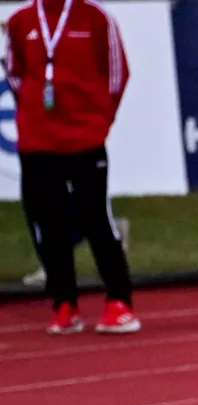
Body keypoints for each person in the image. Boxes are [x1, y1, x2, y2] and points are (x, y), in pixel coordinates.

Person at [6, 0, 140, 334]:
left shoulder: (95, 18)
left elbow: (117, 74)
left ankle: (119, 302)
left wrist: (98, 121)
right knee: (48, 224)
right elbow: (16, 75)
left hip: (85, 140)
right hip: (37, 143)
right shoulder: (21, 21)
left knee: (96, 218)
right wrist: (36, 116)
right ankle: (64, 304)